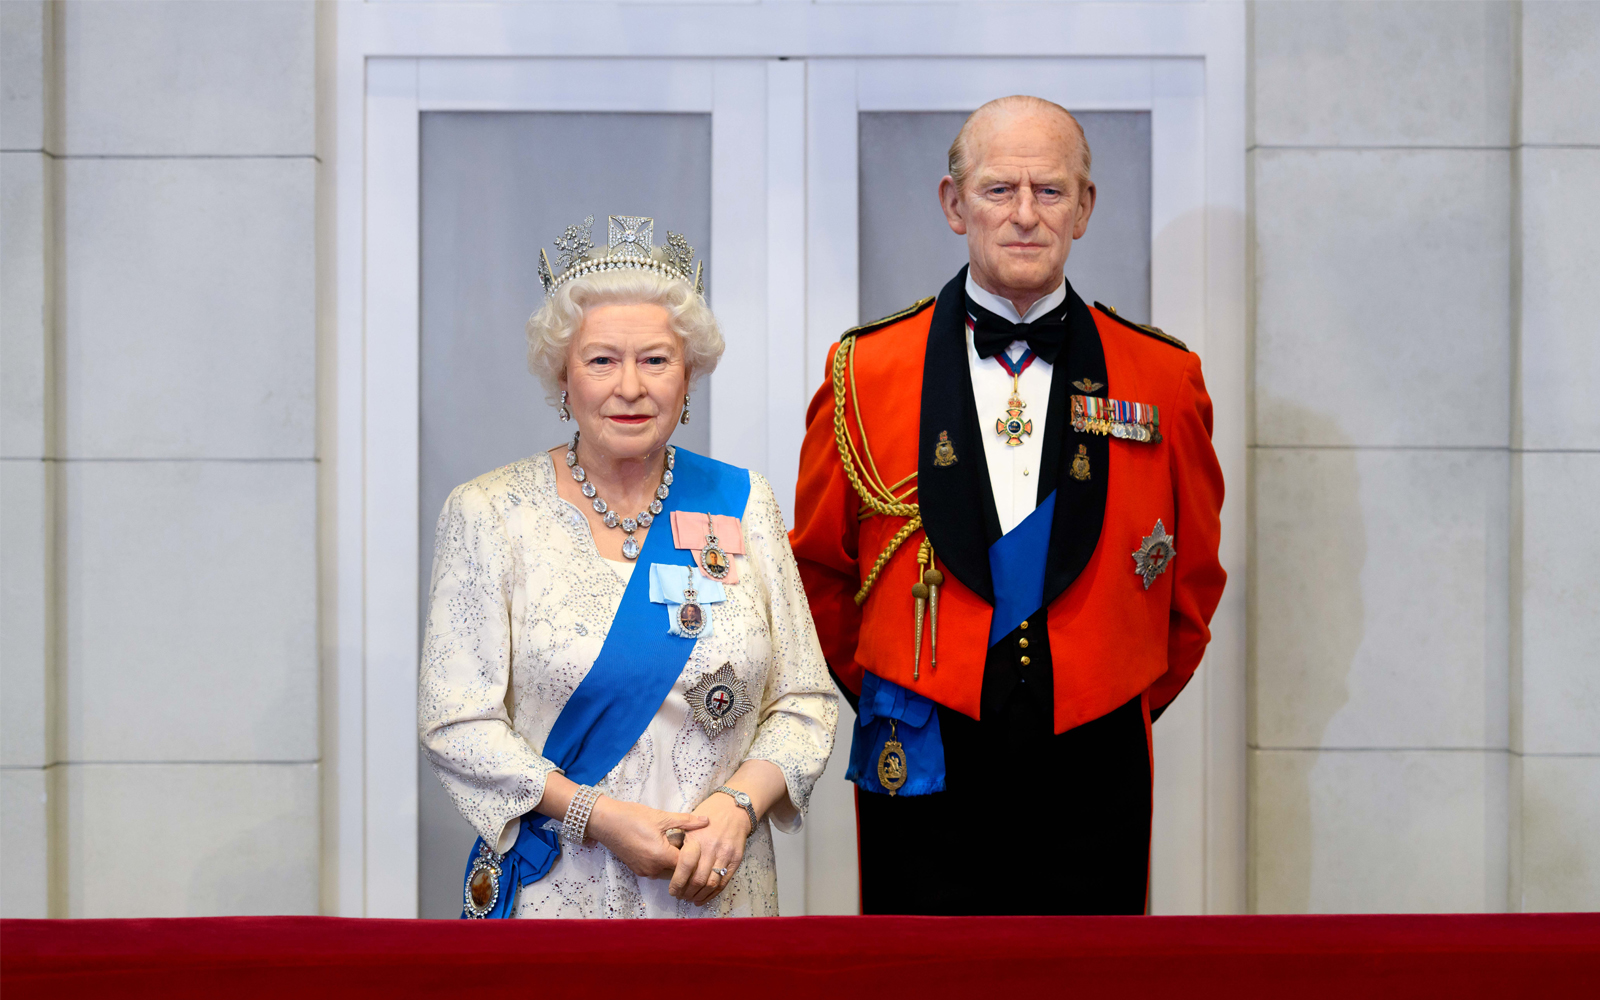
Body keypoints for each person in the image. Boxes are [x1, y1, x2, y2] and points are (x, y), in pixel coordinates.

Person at [790, 96, 1226, 915]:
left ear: (1086, 208)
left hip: (1095, 749)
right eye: (999, 191)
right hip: (922, 743)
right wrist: (915, 681)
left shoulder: (1163, 378)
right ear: (954, 205)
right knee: (918, 981)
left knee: (1088, 982)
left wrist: (1108, 691)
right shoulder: (864, 369)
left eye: (1051, 191)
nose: (1025, 215)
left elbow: (1192, 583)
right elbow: (819, 572)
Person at [420, 215, 838, 919]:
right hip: (558, 891)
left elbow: (804, 702)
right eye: (601, 360)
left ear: (688, 376)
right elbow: (457, 722)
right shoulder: (490, 513)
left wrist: (738, 808)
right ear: (563, 375)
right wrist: (596, 815)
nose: (631, 387)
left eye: (655, 360)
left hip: (718, 891)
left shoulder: (743, 503)